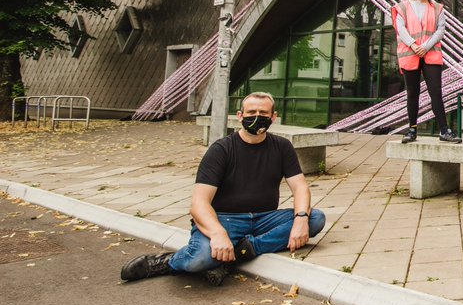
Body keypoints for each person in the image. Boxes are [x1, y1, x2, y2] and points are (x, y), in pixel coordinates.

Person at [120, 92, 326, 286]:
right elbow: (198, 203)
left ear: (273, 117)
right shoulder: (221, 150)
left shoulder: (282, 147)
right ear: (240, 116)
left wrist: (300, 219)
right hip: (224, 219)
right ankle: (170, 261)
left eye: (263, 113)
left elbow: (300, 187)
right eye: (251, 113)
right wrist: (218, 233)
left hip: (265, 218)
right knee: (199, 260)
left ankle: (241, 252)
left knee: (314, 219)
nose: (257, 117)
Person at [392, 0, 460, 143]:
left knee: (436, 92)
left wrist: (425, 47)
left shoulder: (438, 8)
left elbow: (440, 30)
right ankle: (412, 130)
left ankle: (444, 131)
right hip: (410, 53)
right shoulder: (403, 7)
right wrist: (414, 45)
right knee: (412, 93)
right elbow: (400, 28)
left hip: (430, 54)